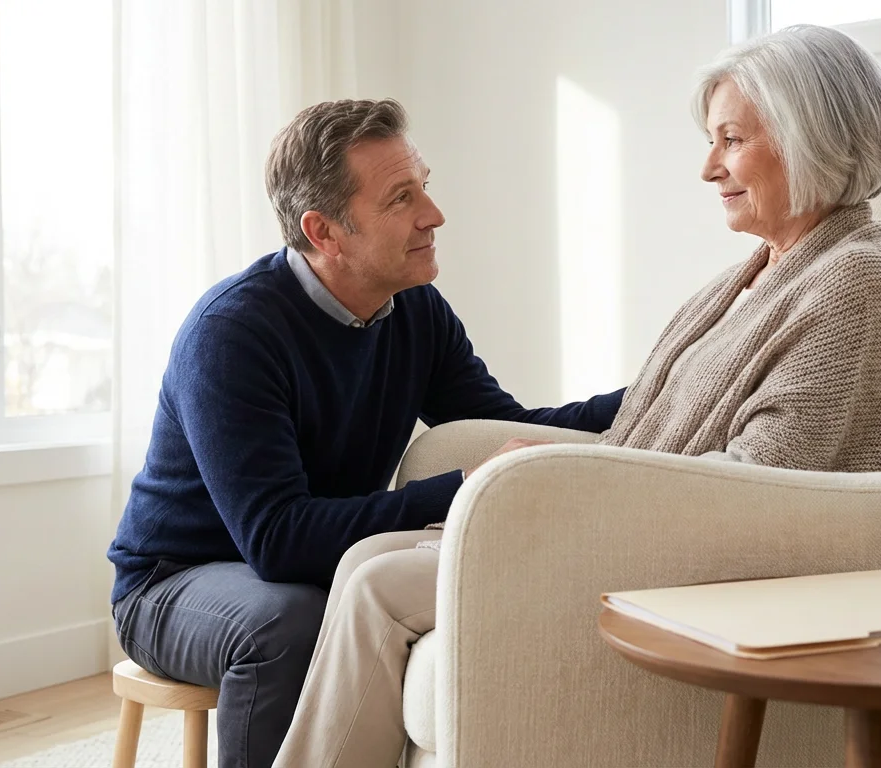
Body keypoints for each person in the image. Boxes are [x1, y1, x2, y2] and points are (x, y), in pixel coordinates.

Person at [273, 24, 881, 768]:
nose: (709, 167)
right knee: (364, 558)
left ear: (811, 139)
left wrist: (564, 487)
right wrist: (548, 474)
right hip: (632, 521)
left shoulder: (854, 284)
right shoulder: (756, 273)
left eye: (732, 140)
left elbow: (768, 487)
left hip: (673, 548)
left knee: (380, 587)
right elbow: (652, 410)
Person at [105, 98, 625, 768]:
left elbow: (505, 424)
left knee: (375, 596)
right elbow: (279, 542)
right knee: (289, 621)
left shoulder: (414, 309)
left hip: (303, 570)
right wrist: (464, 487)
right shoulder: (232, 333)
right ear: (324, 232)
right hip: (174, 582)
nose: (433, 214)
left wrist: (660, 390)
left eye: (424, 186)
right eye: (401, 198)